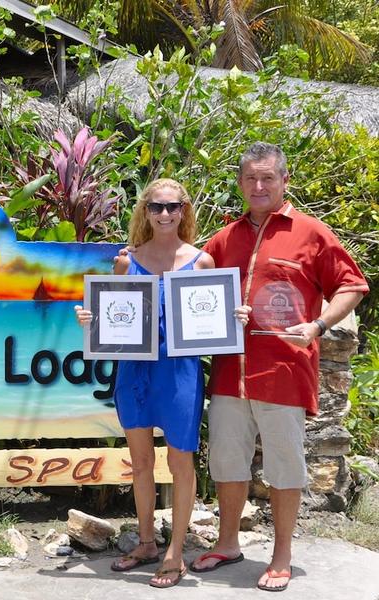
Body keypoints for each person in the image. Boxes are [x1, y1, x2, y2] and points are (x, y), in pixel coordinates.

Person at [189, 142, 368, 592]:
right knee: (227, 464)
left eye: (268, 177)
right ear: (240, 182)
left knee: (284, 468)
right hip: (230, 374)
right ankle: (228, 543)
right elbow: (190, 287)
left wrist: (318, 324)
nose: (259, 185)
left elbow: (353, 285)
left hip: (284, 373)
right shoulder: (224, 238)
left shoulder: (312, 233)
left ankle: (282, 557)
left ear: (285, 180)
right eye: (250, 177)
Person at [76, 179, 246, 588]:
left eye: (173, 207)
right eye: (157, 207)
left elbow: (214, 325)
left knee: (180, 461)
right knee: (140, 463)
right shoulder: (125, 261)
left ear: (184, 210)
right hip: (134, 372)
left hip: (180, 373)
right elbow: (115, 320)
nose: (165, 214)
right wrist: (90, 321)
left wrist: (233, 319)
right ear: (146, 210)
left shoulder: (202, 262)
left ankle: (175, 552)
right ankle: (148, 541)